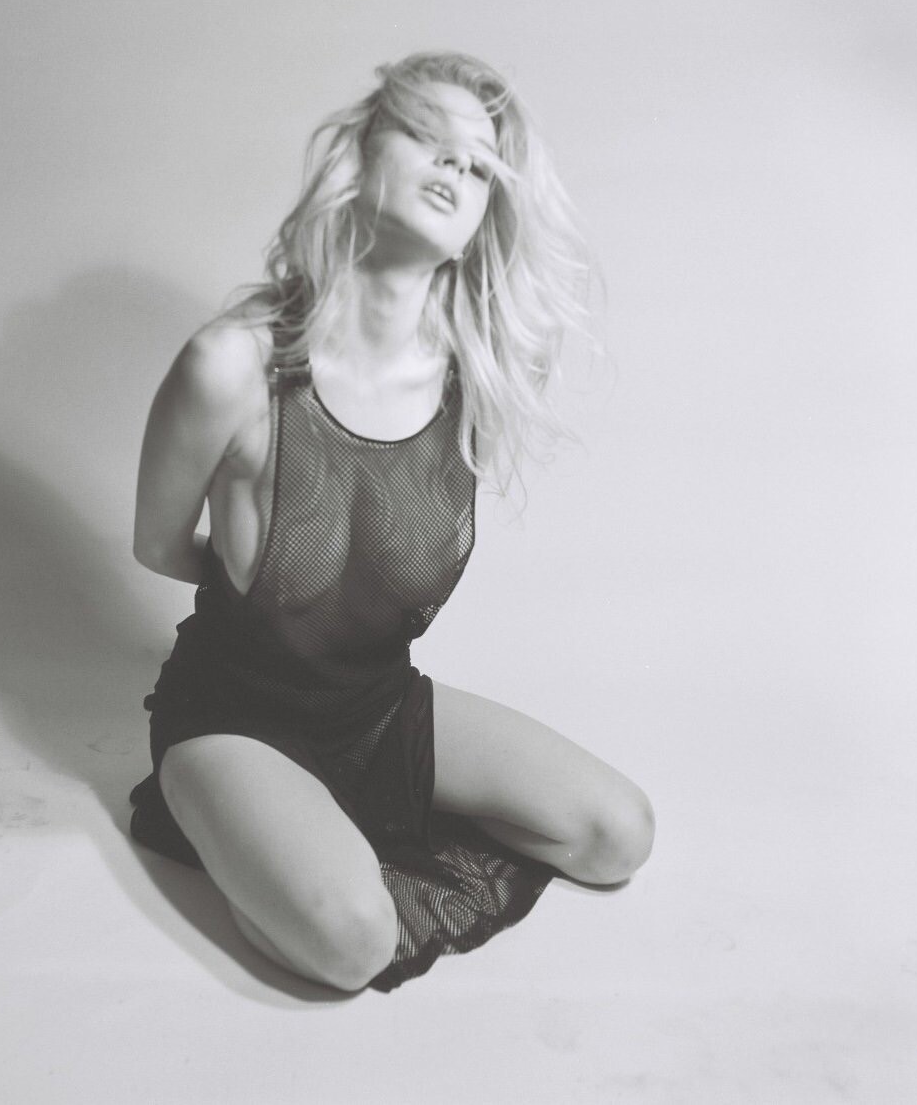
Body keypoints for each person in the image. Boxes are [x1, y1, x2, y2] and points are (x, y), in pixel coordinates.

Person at [128, 51, 654, 992]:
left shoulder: (470, 380)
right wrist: (270, 603)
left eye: (480, 166)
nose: (456, 167)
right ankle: (230, 820)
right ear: (363, 153)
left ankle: (315, 828)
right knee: (351, 942)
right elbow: (157, 544)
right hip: (234, 720)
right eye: (429, 137)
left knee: (620, 833)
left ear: (485, 215)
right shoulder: (233, 366)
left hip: (375, 709)